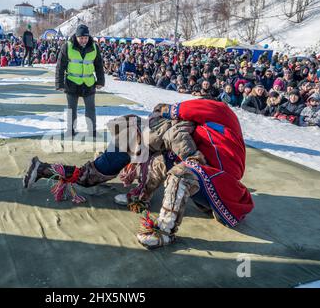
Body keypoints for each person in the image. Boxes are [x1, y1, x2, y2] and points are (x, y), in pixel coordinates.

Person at [24, 99, 254, 249]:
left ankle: (159, 224)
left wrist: (187, 160)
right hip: (128, 153)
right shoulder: (163, 129)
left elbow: (163, 158)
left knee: (172, 168)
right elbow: (155, 152)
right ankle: (43, 169)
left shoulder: (181, 126)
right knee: (90, 175)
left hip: (149, 154)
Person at [55, 24, 105, 137]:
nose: (84, 40)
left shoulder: (94, 47)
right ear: (76, 37)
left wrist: (100, 81)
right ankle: (70, 130)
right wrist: (59, 83)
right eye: (81, 38)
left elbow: (99, 65)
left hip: (89, 83)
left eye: (86, 38)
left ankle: (92, 131)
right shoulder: (67, 46)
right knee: (71, 109)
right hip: (72, 82)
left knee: (91, 109)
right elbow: (60, 66)